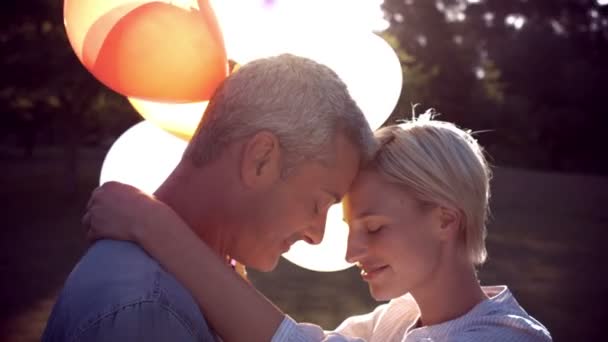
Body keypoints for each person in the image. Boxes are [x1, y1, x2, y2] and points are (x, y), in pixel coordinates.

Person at [83, 112, 552, 341]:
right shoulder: (402, 317)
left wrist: (151, 222)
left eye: (374, 227)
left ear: (446, 219)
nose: (351, 252)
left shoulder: (504, 337)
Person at [42, 54, 377, 342]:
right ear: (260, 159)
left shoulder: (176, 293)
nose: (316, 236)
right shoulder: (148, 310)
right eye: (319, 204)